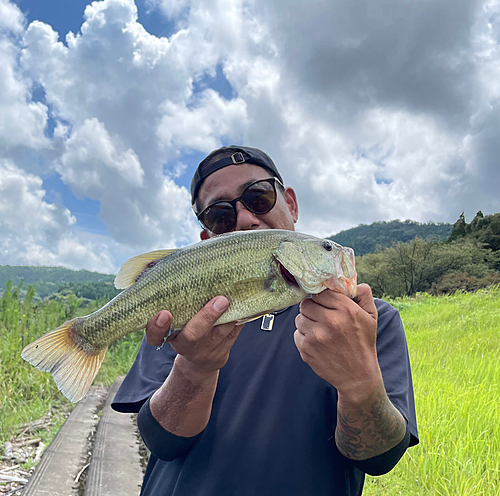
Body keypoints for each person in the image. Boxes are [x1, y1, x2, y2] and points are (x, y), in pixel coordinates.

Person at [112, 146, 419, 496]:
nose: (244, 219)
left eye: (259, 196)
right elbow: (162, 442)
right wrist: (193, 368)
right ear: (206, 239)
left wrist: (360, 385)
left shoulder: (369, 321)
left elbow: (378, 459)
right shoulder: (183, 320)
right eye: (219, 215)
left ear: (291, 203)